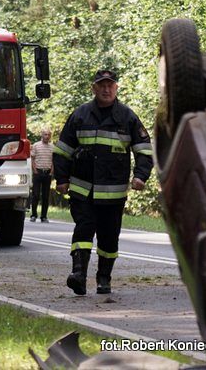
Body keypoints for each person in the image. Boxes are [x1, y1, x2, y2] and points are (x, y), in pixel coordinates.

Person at [53, 69, 153, 295]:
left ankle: (104, 278)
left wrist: (140, 175)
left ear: (116, 88)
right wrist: (61, 178)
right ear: (94, 88)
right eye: (102, 85)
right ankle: (78, 274)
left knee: (109, 238)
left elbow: (144, 150)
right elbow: (63, 150)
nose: (106, 89)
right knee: (83, 230)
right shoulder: (80, 115)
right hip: (82, 190)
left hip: (113, 194)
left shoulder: (127, 117)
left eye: (110, 85)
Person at [30, 128, 54, 223]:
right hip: (38, 172)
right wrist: (35, 170)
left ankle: (44, 216)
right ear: (42, 135)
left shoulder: (52, 147)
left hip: (47, 173)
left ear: (50, 136)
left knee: (46, 196)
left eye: (48, 135)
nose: (47, 136)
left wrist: (52, 172)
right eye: (45, 134)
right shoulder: (36, 145)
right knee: (35, 195)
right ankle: (33, 215)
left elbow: (53, 161)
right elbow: (32, 159)